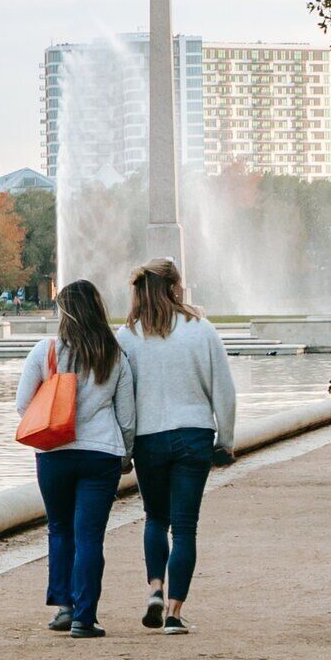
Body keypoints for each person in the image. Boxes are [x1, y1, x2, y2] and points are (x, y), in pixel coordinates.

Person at [117, 259, 237, 634]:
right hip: (194, 433)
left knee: (155, 518)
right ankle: (174, 613)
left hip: (148, 437)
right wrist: (226, 440)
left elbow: (122, 397)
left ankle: (155, 587)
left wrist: (125, 446)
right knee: (185, 528)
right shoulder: (201, 330)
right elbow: (224, 391)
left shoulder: (128, 336)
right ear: (173, 288)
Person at [18, 279, 142, 638]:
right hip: (101, 452)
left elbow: (23, 404)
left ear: (65, 312)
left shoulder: (47, 351)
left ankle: (63, 606)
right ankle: (84, 618)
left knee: (59, 528)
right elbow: (127, 416)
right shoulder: (114, 355)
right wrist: (127, 453)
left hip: (54, 452)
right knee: (90, 536)